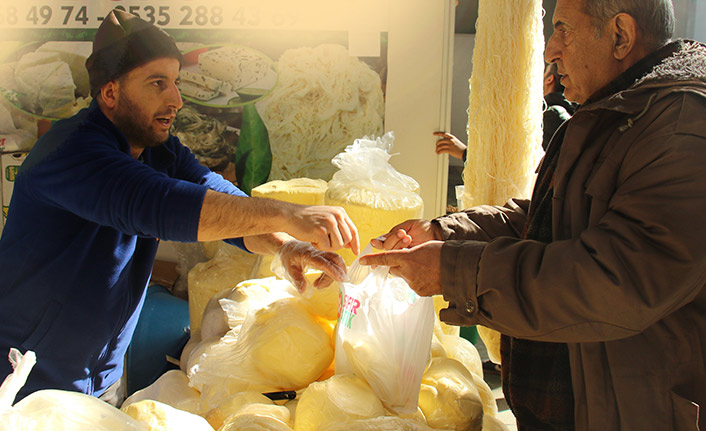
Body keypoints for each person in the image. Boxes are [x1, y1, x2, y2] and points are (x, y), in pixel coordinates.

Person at [361, 0, 706, 430]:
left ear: (621, 36)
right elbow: (548, 221)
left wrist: (453, 270)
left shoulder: (681, 125)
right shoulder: (617, 113)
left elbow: (615, 279)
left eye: (563, 30)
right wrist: (444, 232)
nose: (550, 51)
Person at [0, 9, 359, 404]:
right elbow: (166, 206)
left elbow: (220, 199)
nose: (176, 99)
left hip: (99, 379)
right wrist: (290, 215)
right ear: (110, 92)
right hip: (24, 377)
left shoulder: (157, 150)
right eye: (157, 84)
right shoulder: (73, 153)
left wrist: (285, 245)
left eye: (175, 82)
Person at [434, 62, 576, 159]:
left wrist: (465, 153)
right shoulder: (566, 113)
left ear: (549, 79)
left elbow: (522, 162)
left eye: (544, 73)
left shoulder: (552, 115)